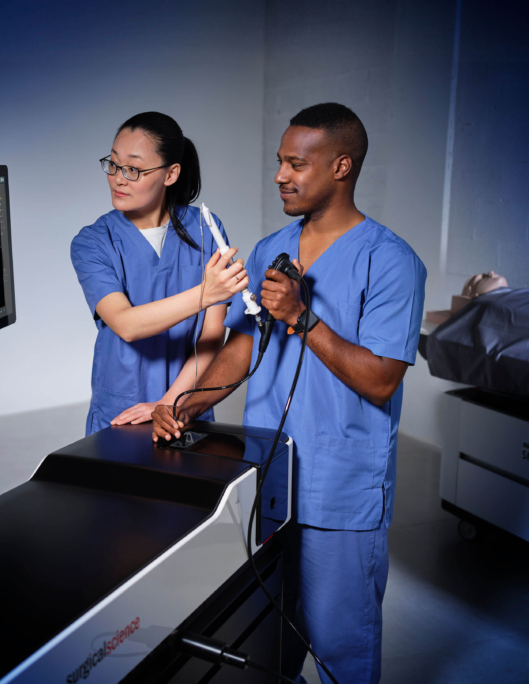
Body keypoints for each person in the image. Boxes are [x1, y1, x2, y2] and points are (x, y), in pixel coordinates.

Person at [152, 103, 426, 684]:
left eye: (296, 164)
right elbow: (243, 345)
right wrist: (186, 406)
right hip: (268, 477)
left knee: (338, 642)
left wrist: (303, 318)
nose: (280, 175)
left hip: (339, 486)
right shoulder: (271, 249)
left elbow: (381, 379)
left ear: (341, 167)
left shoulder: (391, 261)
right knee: (265, 635)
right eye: (279, 161)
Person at [71, 112, 247, 435]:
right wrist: (206, 294)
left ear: (171, 174)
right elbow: (126, 325)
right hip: (123, 409)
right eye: (113, 164)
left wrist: (170, 403)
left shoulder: (206, 229)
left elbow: (211, 335)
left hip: (187, 406)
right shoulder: (93, 242)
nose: (118, 178)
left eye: (133, 169)